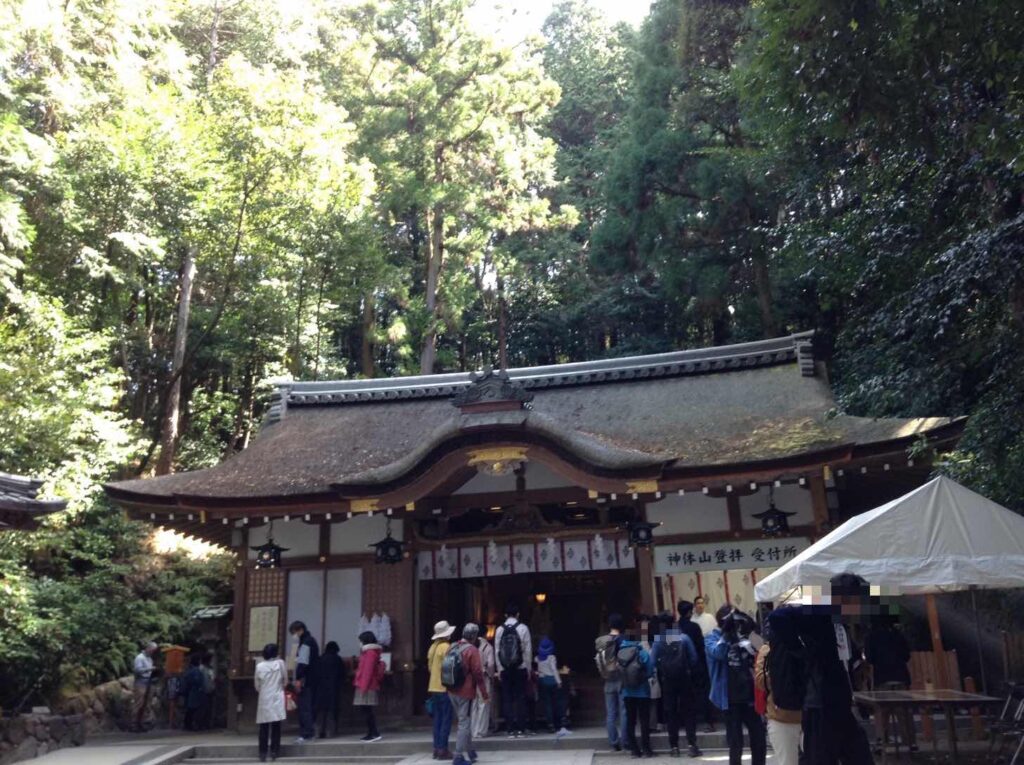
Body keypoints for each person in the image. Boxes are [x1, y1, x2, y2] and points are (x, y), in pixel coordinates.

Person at [799, 573, 875, 765]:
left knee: (858, 753)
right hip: (821, 703)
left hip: (840, 703)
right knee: (822, 756)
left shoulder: (841, 626)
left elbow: (849, 660)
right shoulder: (818, 623)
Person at [708, 606, 766, 765]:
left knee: (759, 738)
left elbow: (763, 649)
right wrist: (727, 635)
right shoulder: (712, 637)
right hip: (729, 698)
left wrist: (751, 628)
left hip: (750, 696)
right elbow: (717, 654)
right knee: (735, 742)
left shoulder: (745, 635)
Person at [755, 606, 804, 765]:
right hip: (799, 715)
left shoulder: (766, 650)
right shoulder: (804, 645)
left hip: (782, 717)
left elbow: (760, 682)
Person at [652, 614, 701, 757]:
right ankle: (692, 745)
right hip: (684, 679)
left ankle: (674, 747)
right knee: (688, 712)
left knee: (671, 713)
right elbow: (694, 659)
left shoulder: (658, 641)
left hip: (667, 680)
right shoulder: (684, 638)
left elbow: (652, 662)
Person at [865, 615, 916, 753]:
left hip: (882, 677)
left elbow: (869, 658)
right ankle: (911, 742)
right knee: (904, 710)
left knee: (882, 711)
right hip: (900, 675)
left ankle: (881, 741)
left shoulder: (871, 636)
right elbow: (906, 655)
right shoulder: (898, 635)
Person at [445, 623, 490, 765]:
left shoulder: (452, 646)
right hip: (465, 690)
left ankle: (470, 751)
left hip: (451, 689)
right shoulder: (472, 650)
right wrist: (484, 693)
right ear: (475, 636)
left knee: (464, 720)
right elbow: (477, 673)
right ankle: (458, 756)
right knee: (464, 722)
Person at [495, 602, 532, 738]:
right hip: (520, 667)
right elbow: (527, 650)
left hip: (505, 669)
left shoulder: (499, 630)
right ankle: (521, 729)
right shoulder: (523, 628)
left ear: (505, 615)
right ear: (518, 614)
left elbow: (497, 650)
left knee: (507, 698)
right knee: (520, 697)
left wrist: (499, 669)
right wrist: (528, 668)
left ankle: (510, 729)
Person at [618, 627, 655, 758]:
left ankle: (634, 750)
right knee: (644, 721)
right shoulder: (642, 653)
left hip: (627, 692)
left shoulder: (620, 652)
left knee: (630, 721)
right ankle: (646, 749)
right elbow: (650, 670)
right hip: (642, 692)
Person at [678, 599, 714, 733]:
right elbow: (701, 646)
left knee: (683, 695)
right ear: (690, 612)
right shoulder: (694, 627)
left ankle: (685, 721)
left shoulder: (674, 628)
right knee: (703, 693)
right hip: (697, 664)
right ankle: (707, 721)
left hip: (679, 667)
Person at [595, 612, 627, 752]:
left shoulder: (601, 641)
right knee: (624, 712)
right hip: (622, 678)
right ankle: (626, 741)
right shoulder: (624, 640)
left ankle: (614, 741)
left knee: (611, 713)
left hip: (608, 679)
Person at [428, 620, 456, 759]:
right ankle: (443, 749)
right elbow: (450, 667)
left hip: (433, 686)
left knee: (437, 719)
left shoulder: (433, 647)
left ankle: (436, 748)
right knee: (446, 719)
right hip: (444, 687)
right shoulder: (446, 647)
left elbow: (429, 667)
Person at [289, 620, 320, 743]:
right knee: (308, 706)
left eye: (294, 632)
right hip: (312, 678)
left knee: (304, 707)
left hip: (306, 679)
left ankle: (307, 733)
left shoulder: (306, 642)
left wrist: (298, 678)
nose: (294, 635)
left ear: (299, 630)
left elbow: (303, 662)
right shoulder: (310, 640)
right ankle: (308, 732)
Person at [255, 643, 286, 763]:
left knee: (263, 726)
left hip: (264, 697)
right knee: (276, 725)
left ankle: (262, 752)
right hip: (277, 696)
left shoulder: (259, 666)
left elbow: (257, 685)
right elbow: (285, 680)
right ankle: (274, 751)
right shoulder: (280, 663)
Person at [353, 631, 385, 742]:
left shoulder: (370, 653)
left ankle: (374, 733)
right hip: (366, 685)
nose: (359, 643)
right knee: (366, 710)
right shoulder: (370, 652)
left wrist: (363, 687)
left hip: (367, 685)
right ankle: (371, 732)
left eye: (360, 641)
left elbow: (368, 671)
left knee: (367, 710)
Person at [535, 637, 570, 736]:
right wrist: (559, 681)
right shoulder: (551, 658)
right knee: (556, 701)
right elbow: (554, 670)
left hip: (543, 680)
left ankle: (550, 724)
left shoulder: (537, 658)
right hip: (552, 681)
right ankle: (559, 721)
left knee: (547, 703)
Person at [317, 641, 346, 738]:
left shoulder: (320, 659)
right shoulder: (337, 659)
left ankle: (320, 731)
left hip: (320, 688)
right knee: (333, 710)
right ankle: (331, 731)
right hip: (334, 688)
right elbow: (342, 674)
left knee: (321, 710)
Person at [471, 631, 496, 739]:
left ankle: (473, 730)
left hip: (472, 679)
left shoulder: (471, 645)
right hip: (484, 678)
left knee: (474, 705)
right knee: (484, 703)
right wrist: (491, 675)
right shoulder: (488, 647)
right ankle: (481, 731)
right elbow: (490, 664)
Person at [132, 641, 159, 732]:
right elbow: (137, 670)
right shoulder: (140, 658)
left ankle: (142, 723)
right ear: (148, 648)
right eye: (152, 650)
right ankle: (134, 723)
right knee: (139, 703)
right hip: (141, 682)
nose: (153, 652)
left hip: (149, 682)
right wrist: (150, 669)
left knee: (146, 704)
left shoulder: (149, 659)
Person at [180, 654, 206, 731]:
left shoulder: (189, 670)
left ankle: (188, 724)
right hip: (194, 691)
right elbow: (196, 681)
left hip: (191, 691)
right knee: (193, 709)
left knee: (190, 709)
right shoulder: (195, 671)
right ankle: (190, 725)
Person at [200, 655, 216, 729]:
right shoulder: (201, 668)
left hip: (210, 690)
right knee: (203, 708)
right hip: (203, 691)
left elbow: (213, 678)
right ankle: (202, 724)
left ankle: (207, 724)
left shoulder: (210, 669)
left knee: (209, 708)